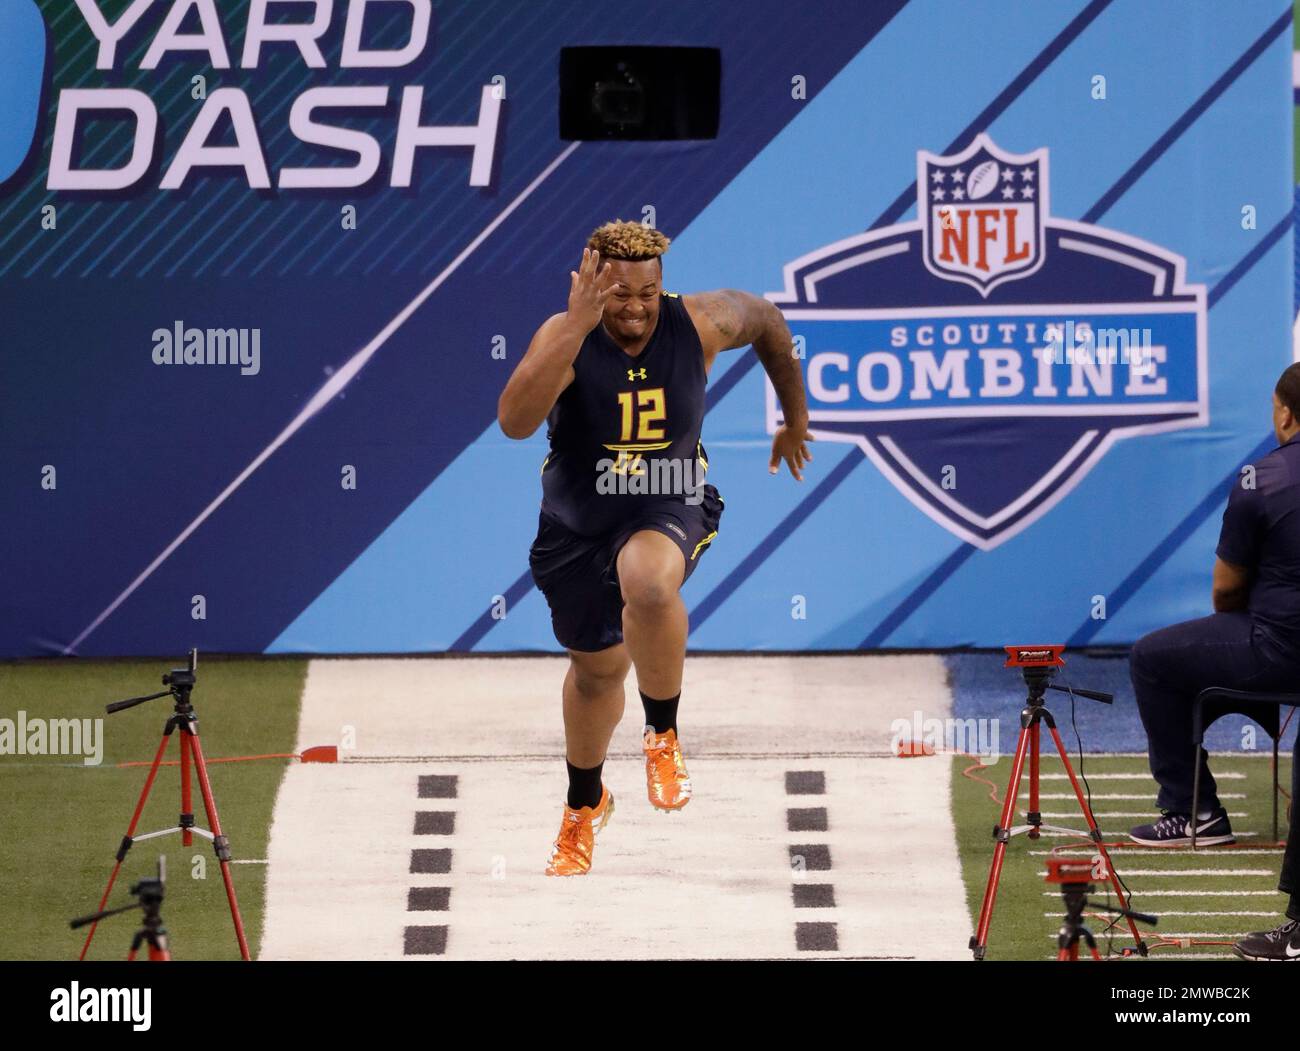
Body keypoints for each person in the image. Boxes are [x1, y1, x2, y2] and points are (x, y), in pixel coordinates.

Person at [497, 220, 811, 876]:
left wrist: (795, 418)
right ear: (591, 288)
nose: (635, 307)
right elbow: (515, 423)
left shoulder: (701, 321)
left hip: (669, 495)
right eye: (618, 295)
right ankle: (585, 803)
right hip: (575, 526)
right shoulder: (564, 336)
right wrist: (574, 329)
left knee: (647, 579)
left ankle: (662, 732)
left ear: (661, 285)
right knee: (595, 674)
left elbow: (772, 324)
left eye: (647, 292)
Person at [1128, 363, 1300, 958]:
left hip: (1279, 652)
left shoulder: (1263, 479)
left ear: (1283, 413)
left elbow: (1226, 591)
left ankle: (1193, 808)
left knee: (1155, 659)